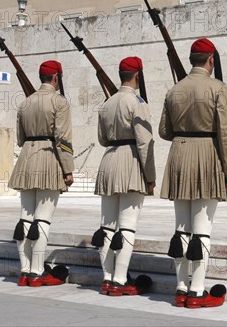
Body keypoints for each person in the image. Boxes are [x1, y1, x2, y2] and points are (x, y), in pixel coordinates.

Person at [159, 38, 227, 309]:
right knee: (202, 228)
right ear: (211, 59)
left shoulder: (174, 89)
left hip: (179, 154)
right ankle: (197, 290)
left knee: (181, 227)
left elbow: (164, 132)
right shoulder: (218, 88)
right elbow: (225, 133)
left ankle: (180, 286)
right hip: (207, 154)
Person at [92, 56, 155, 296]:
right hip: (130, 160)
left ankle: (107, 277)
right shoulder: (137, 102)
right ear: (137, 75)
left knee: (107, 226)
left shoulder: (107, 103)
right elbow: (145, 141)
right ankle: (119, 280)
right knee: (127, 226)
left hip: (109, 159)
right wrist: (150, 176)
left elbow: (102, 139)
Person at [8, 60, 74, 287]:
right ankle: (37, 272)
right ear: (56, 78)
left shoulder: (25, 103)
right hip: (48, 157)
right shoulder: (59, 102)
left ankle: (25, 270)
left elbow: (19, 139)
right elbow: (63, 139)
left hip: (27, 158)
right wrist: (68, 169)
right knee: (42, 219)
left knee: (25, 218)